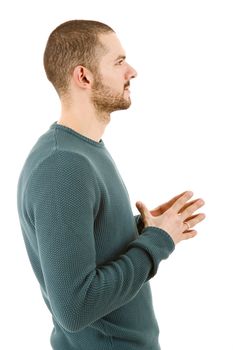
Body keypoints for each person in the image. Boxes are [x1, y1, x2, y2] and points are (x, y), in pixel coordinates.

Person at [17, 19, 205, 350]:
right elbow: (75, 309)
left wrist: (143, 228)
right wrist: (157, 243)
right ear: (84, 76)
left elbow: (88, 248)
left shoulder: (82, 151)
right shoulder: (63, 166)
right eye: (118, 62)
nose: (131, 71)